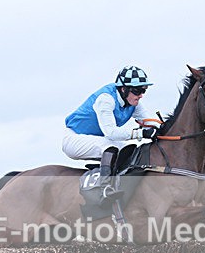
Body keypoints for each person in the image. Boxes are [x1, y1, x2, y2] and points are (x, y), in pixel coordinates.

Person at [63, 66, 159, 201]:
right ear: (123, 89)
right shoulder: (106, 99)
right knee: (111, 147)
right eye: (137, 90)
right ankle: (104, 188)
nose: (141, 95)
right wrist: (141, 133)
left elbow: (150, 123)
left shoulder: (133, 103)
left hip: (96, 139)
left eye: (144, 90)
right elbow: (111, 133)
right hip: (74, 139)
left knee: (130, 150)